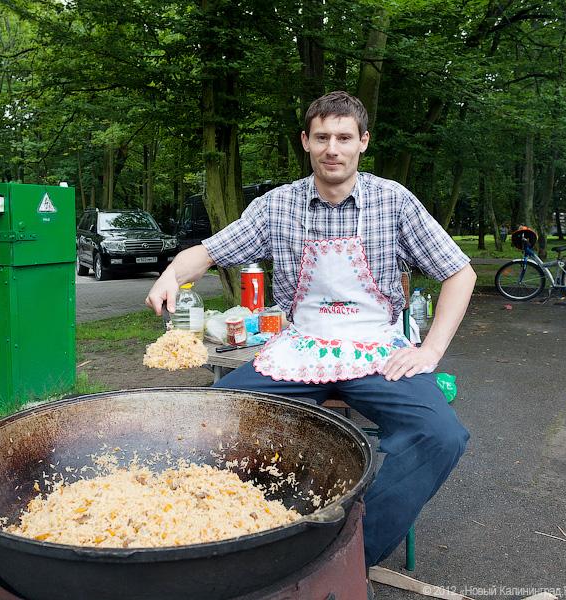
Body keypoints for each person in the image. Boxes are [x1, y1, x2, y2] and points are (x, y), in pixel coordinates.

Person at [145, 91, 476, 572]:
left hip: (375, 349)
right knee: (213, 418)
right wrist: (171, 275)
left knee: (440, 435)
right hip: (300, 348)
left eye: (344, 138)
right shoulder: (277, 205)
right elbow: (209, 252)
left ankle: (346, 555)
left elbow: (459, 272)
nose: (332, 149)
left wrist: (431, 350)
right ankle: (243, 534)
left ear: (363, 142)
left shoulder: (394, 202)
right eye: (322, 138)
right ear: (306, 141)